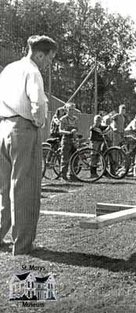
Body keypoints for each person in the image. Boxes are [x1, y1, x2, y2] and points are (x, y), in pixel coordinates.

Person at [0, 35, 57, 255]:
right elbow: (38, 105)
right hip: (22, 130)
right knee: (25, 188)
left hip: (3, 126)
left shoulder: (9, 70)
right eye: (49, 59)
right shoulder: (33, 71)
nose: (48, 64)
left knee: (5, 188)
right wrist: (39, 122)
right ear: (40, 53)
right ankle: (22, 245)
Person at [59, 102, 79, 181]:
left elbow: (77, 129)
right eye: (70, 109)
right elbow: (60, 130)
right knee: (65, 159)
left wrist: (75, 133)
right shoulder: (63, 119)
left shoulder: (75, 119)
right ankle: (63, 176)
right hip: (66, 140)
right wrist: (68, 132)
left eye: (73, 110)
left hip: (73, 140)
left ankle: (73, 175)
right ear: (66, 110)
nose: (72, 111)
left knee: (75, 158)